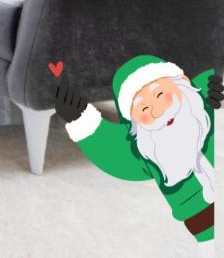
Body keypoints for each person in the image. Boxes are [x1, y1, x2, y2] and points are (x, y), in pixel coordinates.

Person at [56, 56, 222, 254]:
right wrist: (82, 120)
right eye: (144, 108)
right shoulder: (148, 150)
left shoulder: (204, 102)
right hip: (205, 229)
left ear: (183, 83)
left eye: (160, 94)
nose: (157, 111)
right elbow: (115, 154)